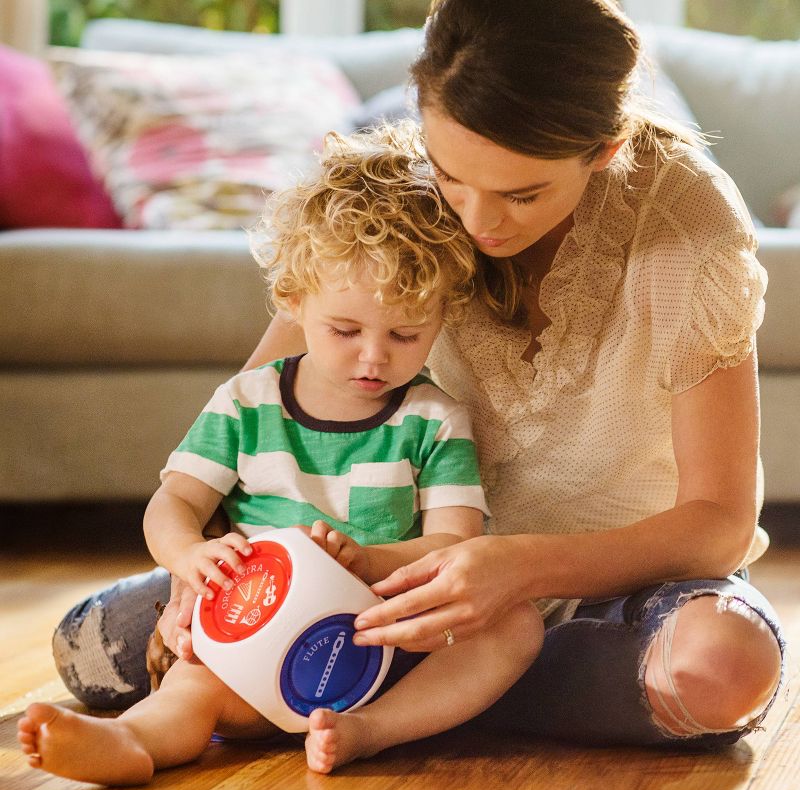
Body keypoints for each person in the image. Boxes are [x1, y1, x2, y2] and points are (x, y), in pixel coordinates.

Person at [51, 0, 784, 752]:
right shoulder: (398, 193)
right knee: (95, 649)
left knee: (719, 667)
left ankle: (360, 692)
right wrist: (197, 569)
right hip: (385, 576)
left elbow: (719, 523)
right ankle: (437, 698)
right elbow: (266, 403)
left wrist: (519, 567)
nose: (476, 221)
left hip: (617, 588)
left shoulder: (688, 229)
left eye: (521, 194)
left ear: (604, 148)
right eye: (452, 175)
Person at [18, 125, 543, 784]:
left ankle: (365, 732)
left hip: (386, 646)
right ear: (293, 302)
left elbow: (452, 547)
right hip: (254, 633)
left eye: (407, 334)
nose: (374, 358)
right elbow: (174, 501)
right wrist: (190, 556)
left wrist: (370, 560)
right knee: (192, 685)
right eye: (345, 331)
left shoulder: (433, 418)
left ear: (442, 316)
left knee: (513, 628)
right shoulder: (247, 403)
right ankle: (132, 741)